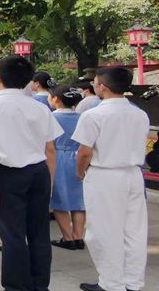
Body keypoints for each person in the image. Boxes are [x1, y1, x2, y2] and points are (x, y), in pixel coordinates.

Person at [0, 56, 63, 291]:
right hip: (38, 172)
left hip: (6, 174)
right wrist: (49, 182)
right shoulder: (41, 108)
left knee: (12, 234)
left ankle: (17, 286)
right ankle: (40, 284)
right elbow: (50, 149)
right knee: (39, 232)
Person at [72, 67, 149, 291]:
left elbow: (84, 152)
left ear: (103, 87)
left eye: (95, 82)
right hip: (133, 173)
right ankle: (133, 281)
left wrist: (80, 172)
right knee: (134, 231)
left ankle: (111, 283)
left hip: (104, 174)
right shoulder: (139, 113)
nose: (94, 85)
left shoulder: (94, 115)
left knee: (104, 230)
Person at [47, 84, 86, 251]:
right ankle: (78, 236)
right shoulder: (82, 117)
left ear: (56, 99)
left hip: (58, 157)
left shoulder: (51, 118)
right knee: (79, 200)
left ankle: (68, 237)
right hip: (79, 157)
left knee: (59, 199)